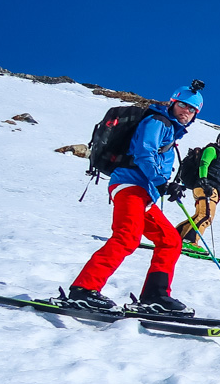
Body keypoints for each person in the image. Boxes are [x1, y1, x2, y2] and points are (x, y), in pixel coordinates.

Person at [66, 82, 204, 315]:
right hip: (130, 185)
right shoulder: (157, 122)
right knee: (127, 237)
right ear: (172, 102)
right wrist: (160, 181)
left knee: (171, 240)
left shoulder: (171, 130)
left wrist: (168, 186)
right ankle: (83, 289)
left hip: (145, 193)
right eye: (182, 105)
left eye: (192, 110)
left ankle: (155, 296)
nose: (186, 111)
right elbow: (144, 152)